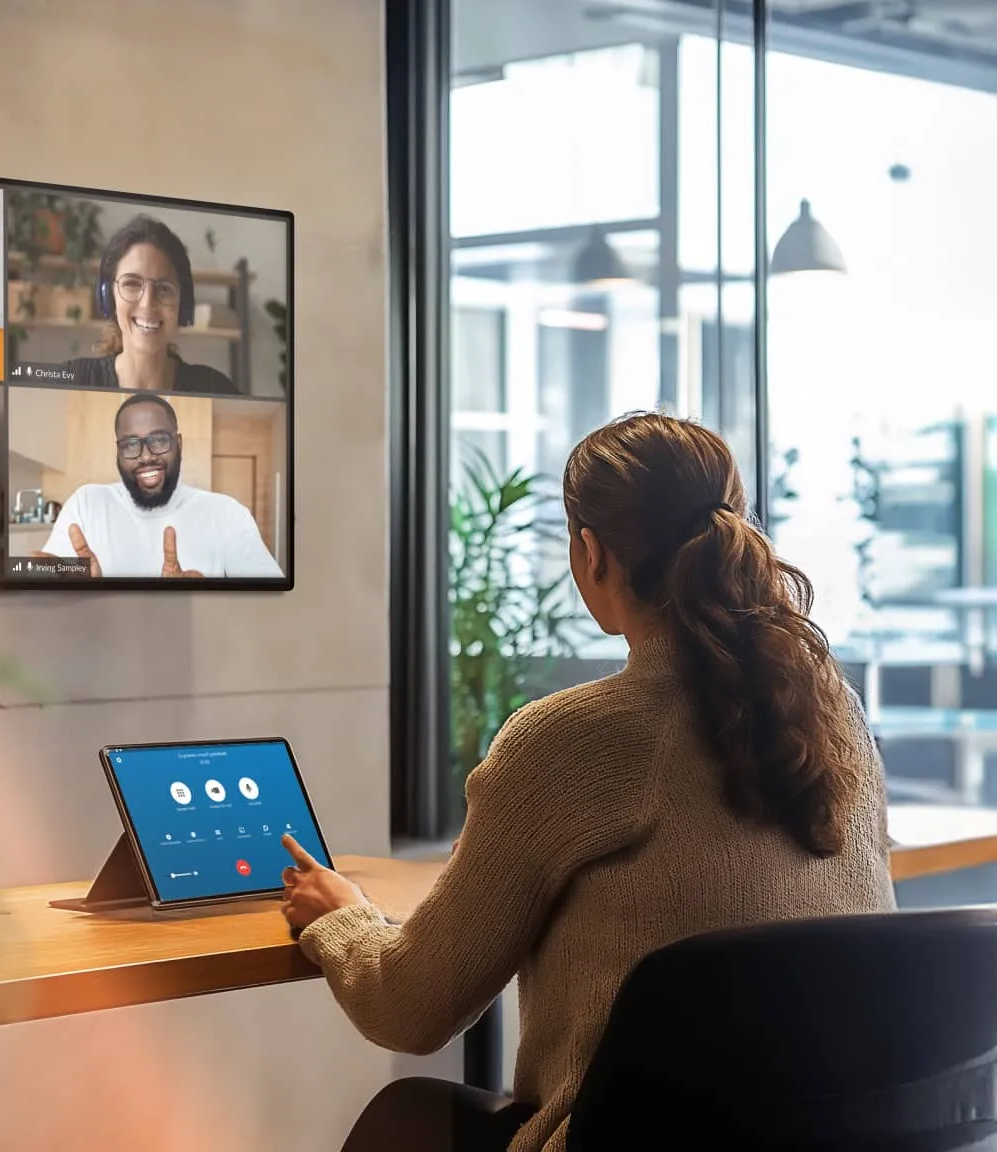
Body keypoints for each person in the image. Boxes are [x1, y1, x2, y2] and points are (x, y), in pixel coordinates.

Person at [276, 412, 895, 1152]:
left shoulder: (572, 739)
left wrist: (339, 915)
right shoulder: (833, 711)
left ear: (591, 552)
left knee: (405, 1118)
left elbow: (409, 1011)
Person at [37, 392, 282, 578]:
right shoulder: (85, 505)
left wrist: (206, 603)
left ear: (179, 443)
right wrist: (73, 594)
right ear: (118, 452)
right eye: (131, 444)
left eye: (159, 440)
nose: (145, 456)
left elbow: (273, 606)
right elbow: (43, 598)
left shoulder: (228, 514)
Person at [57, 215, 239, 395]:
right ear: (108, 296)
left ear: (183, 304)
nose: (147, 304)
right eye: (131, 284)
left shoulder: (215, 389)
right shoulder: (72, 380)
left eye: (164, 288)